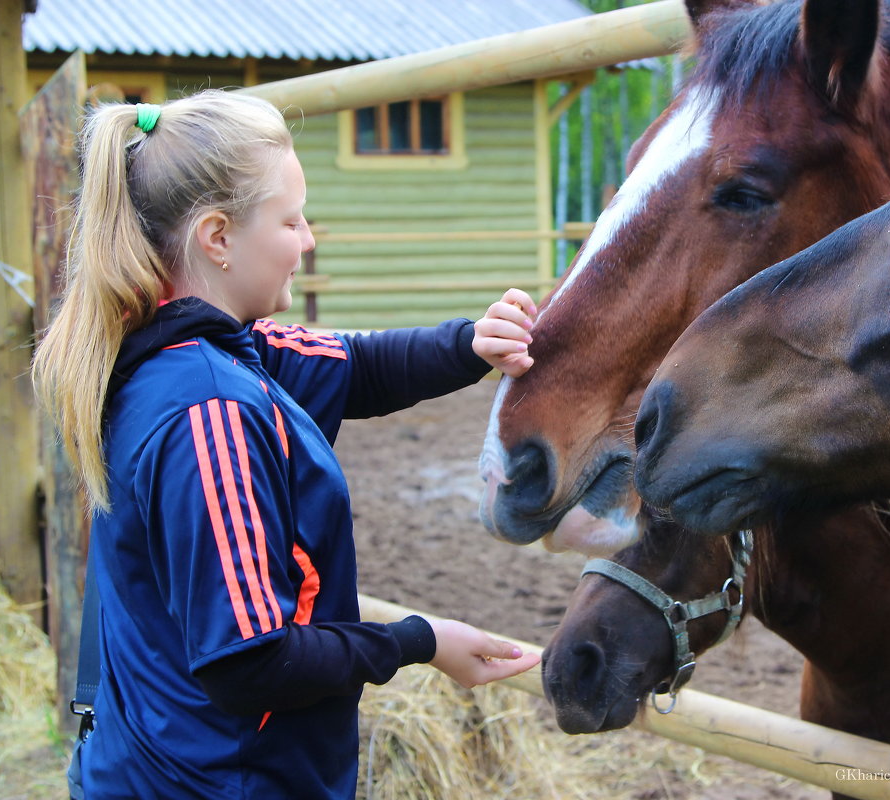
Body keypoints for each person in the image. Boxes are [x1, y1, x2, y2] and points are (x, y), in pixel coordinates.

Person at [31, 89, 542, 799]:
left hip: (165, 760)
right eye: (292, 220)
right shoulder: (208, 408)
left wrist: (471, 344)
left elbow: (359, 367)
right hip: (220, 781)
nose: (307, 240)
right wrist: (418, 642)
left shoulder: (199, 349)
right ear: (217, 237)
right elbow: (249, 662)